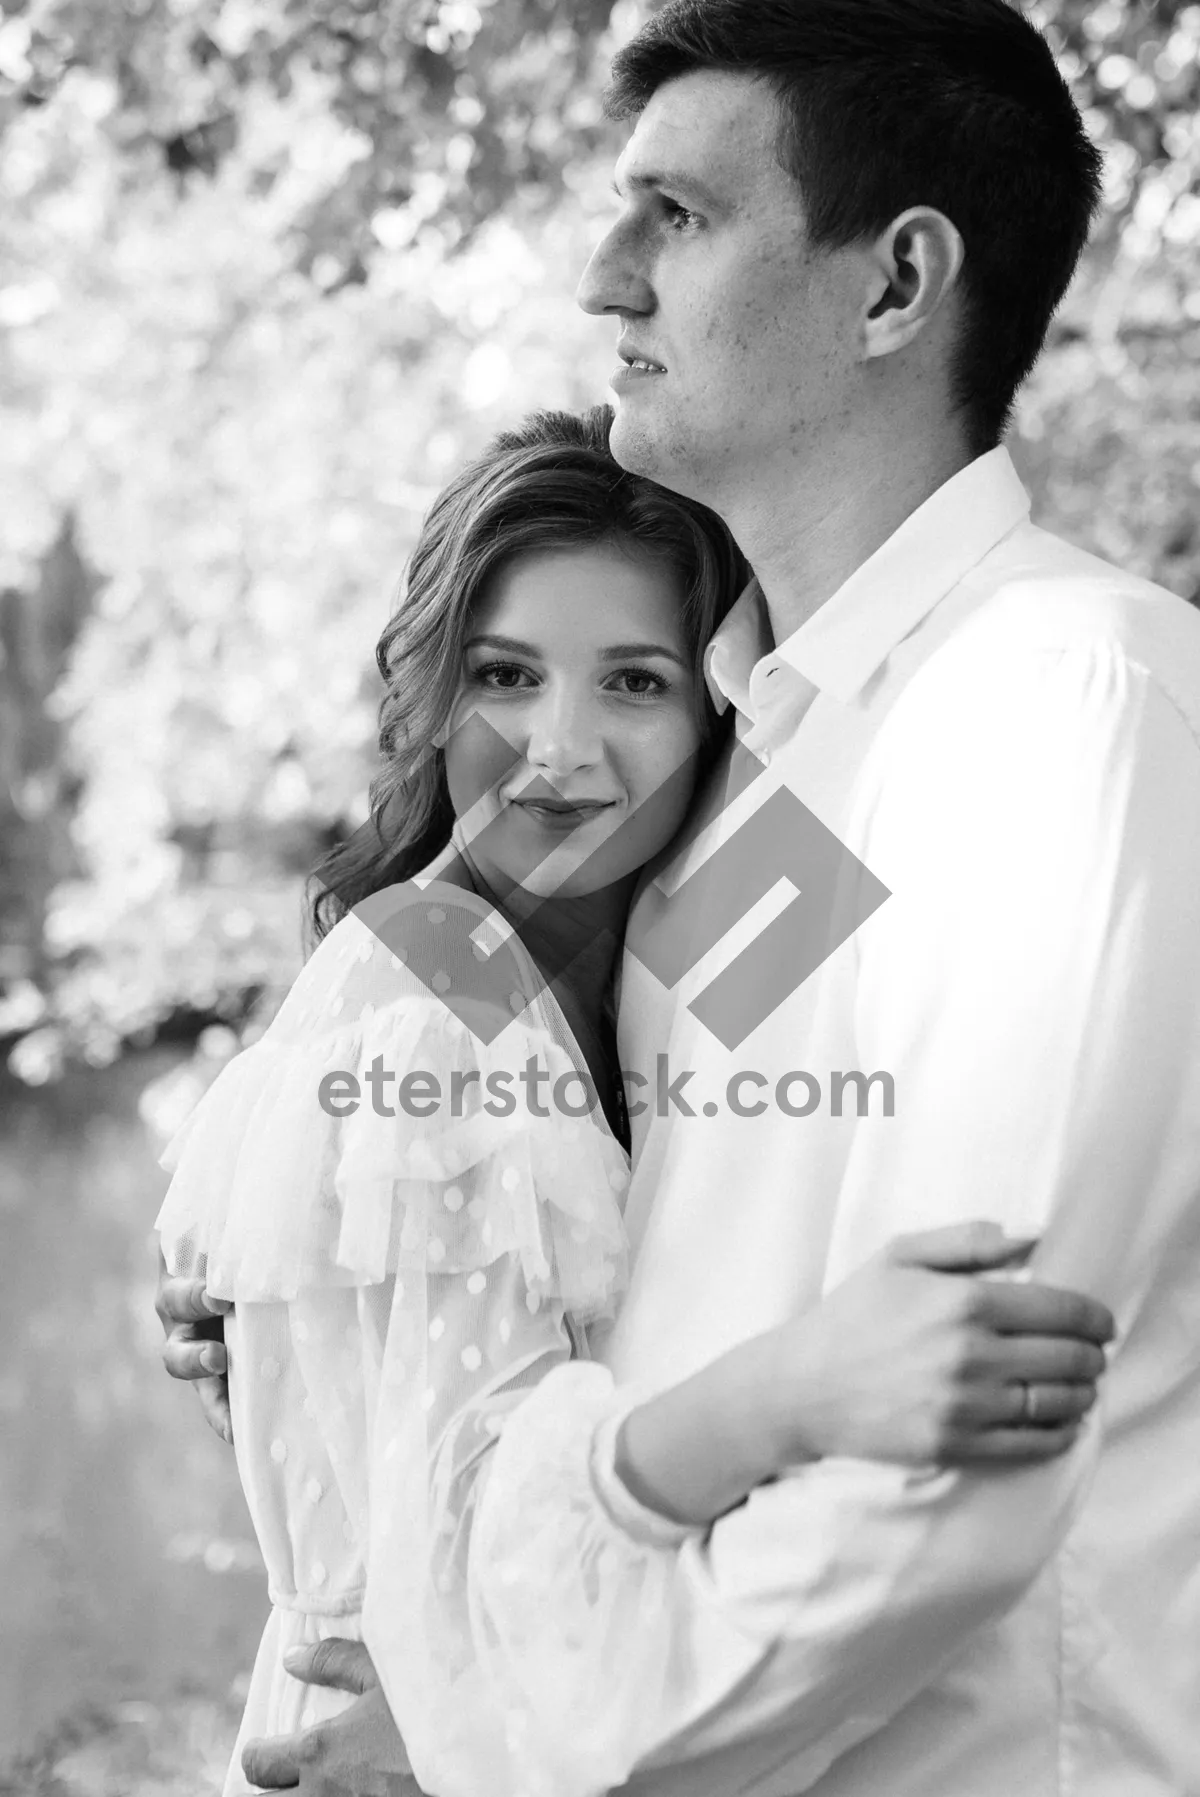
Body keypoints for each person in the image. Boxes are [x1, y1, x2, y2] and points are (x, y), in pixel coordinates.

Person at [160, 0, 1200, 1792]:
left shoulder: (1061, 704)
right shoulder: (763, 765)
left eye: (679, 217)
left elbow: (940, 1473)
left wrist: (503, 1737)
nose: (598, 277)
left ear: (895, 287)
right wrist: (295, 1251)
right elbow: (635, 1210)